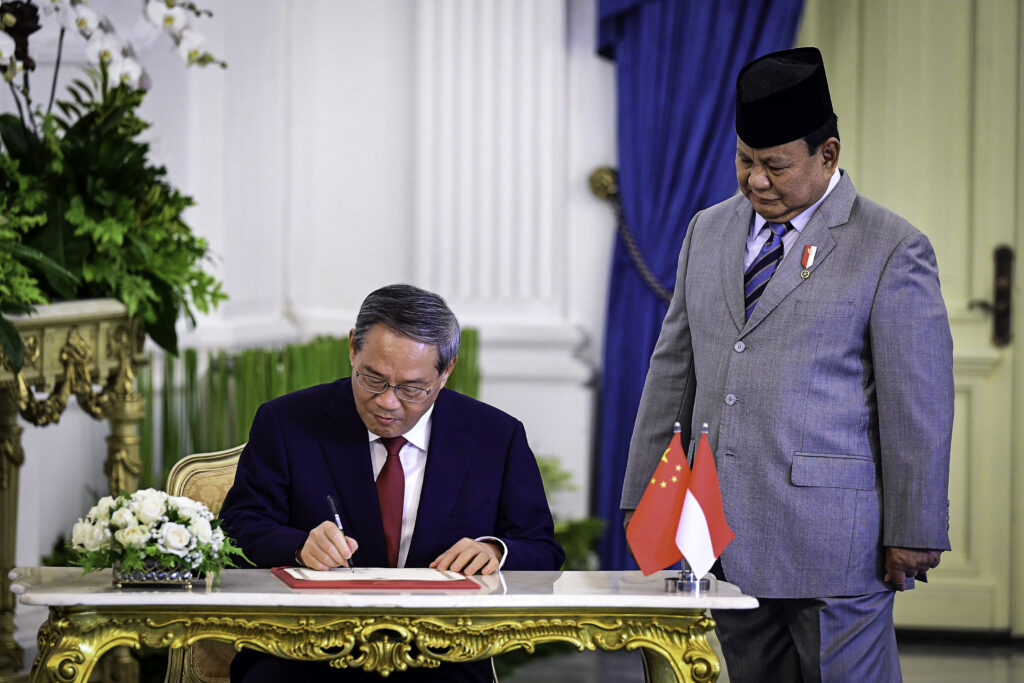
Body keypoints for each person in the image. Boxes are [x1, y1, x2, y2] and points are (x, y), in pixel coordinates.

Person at [620, 47, 953, 682]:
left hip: (836, 545)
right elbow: (672, 372)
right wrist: (642, 492)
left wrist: (915, 526)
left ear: (828, 154)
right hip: (719, 534)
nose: (756, 181)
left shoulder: (892, 247)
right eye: (745, 160)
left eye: (776, 166)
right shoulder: (707, 231)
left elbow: (917, 405)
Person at [221, 283, 565, 682]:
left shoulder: (495, 437)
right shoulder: (287, 422)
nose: (387, 401)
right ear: (353, 348)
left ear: (446, 372)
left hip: (441, 655)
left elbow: (542, 549)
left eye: (411, 388)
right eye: (373, 379)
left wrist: (494, 550)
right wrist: (298, 546)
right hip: (307, 649)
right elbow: (237, 527)